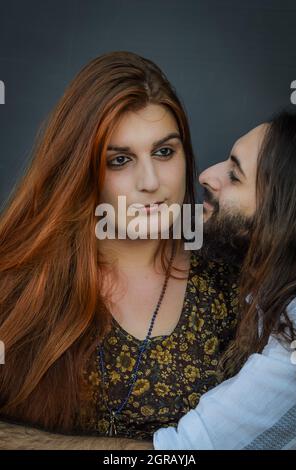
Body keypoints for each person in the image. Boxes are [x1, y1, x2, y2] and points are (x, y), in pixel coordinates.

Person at [0, 51, 239, 449]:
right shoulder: (18, 278)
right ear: (80, 168)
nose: (150, 181)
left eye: (164, 152)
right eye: (120, 160)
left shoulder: (230, 283)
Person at [154, 111, 296, 449]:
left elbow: (182, 454)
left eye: (235, 175)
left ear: (283, 214)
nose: (206, 174)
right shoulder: (264, 296)